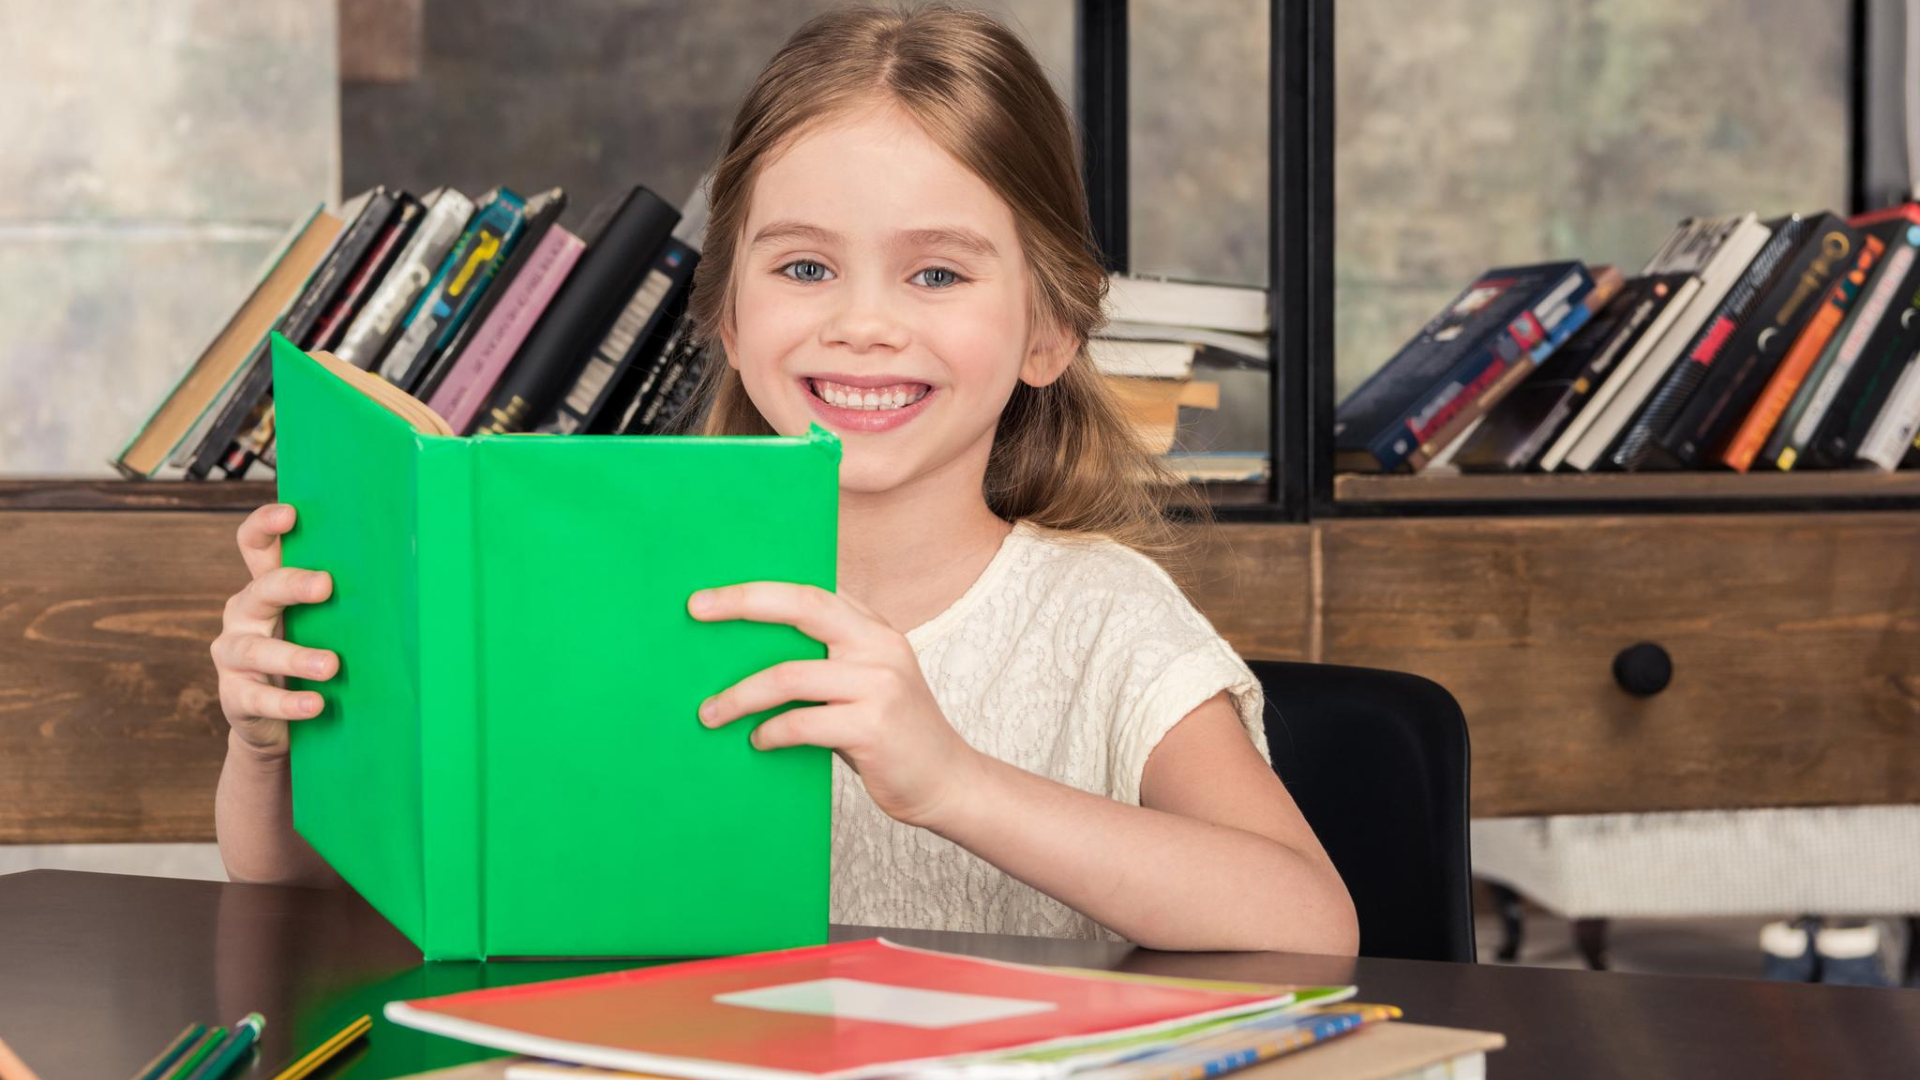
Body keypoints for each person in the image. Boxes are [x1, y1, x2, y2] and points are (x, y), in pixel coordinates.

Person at [212, 4, 1358, 955]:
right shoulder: (604, 590)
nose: (863, 325)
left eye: (938, 273)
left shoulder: (1101, 622)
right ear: (727, 311)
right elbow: (306, 908)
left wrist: (951, 781)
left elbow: (1308, 924)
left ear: (1049, 331)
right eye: (805, 266)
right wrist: (271, 750)